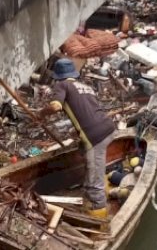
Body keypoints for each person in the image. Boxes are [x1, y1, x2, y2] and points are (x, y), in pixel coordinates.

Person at [41, 58, 116, 219]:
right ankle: (94, 180)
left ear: (58, 76)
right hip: (109, 128)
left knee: (95, 178)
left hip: (95, 137)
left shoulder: (62, 85)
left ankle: (99, 215)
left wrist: (41, 113)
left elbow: (55, 106)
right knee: (85, 151)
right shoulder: (85, 86)